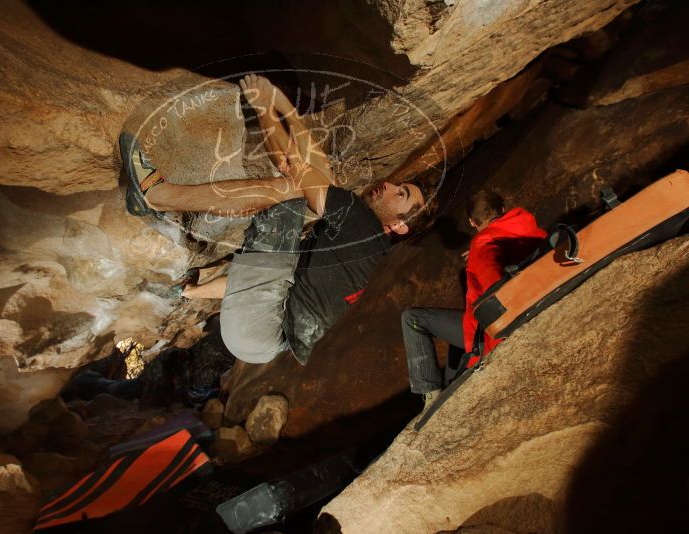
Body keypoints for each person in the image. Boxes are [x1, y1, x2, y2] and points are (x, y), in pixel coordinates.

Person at [120, 75, 435, 365]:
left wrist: (268, 105)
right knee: (289, 251)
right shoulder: (370, 257)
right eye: (400, 186)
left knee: (294, 193)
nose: (390, 186)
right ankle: (187, 293)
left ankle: (155, 195)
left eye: (402, 194)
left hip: (260, 323)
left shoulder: (360, 222)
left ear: (399, 226)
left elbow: (299, 173)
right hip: (264, 344)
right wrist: (278, 105)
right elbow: (273, 279)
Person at [401, 190, 546, 411]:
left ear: (471, 221)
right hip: (534, 303)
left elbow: (496, 290)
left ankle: (430, 397)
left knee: (412, 318)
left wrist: (481, 251)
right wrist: (480, 251)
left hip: (490, 333)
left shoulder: (484, 246)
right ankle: (451, 388)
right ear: (503, 210)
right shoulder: (530, 228)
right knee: (456, 330)